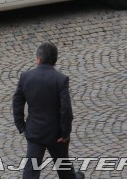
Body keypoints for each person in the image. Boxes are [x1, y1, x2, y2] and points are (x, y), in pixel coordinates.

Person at [13, 42, 85, 179]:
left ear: (38, 59)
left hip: (34, 132)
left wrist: (22, 126)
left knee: (31, 171)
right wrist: (65, 133)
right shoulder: (60, 79)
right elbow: (66, 110)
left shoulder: (25, 77)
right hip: (56, 134)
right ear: (55, 60)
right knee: (64, 168)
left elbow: (17, 102)